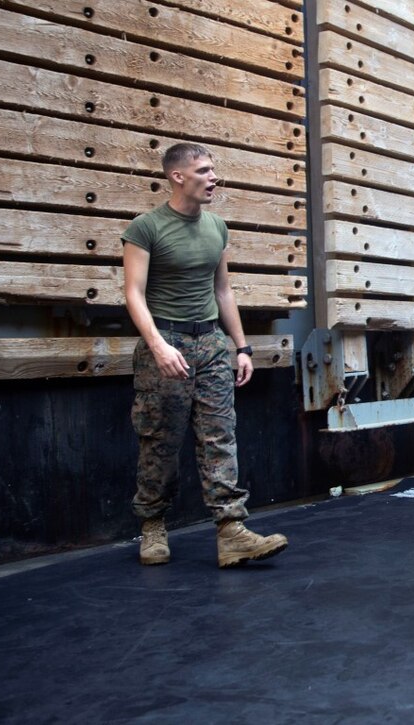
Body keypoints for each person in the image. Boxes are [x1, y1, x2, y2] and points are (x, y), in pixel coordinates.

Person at [122, 142, 288, 568]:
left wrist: (242, 346)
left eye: (213, 169)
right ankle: (153, 525)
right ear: (178, 176)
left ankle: (231, 530)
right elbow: (133, 294)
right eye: (204, 170)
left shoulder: (217, 227)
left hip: (211, 344)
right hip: (167, 342)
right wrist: (158, 345)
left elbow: (223, 290)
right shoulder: (146, 227)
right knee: (160, 440)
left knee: (220, 436)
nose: (213, 177)